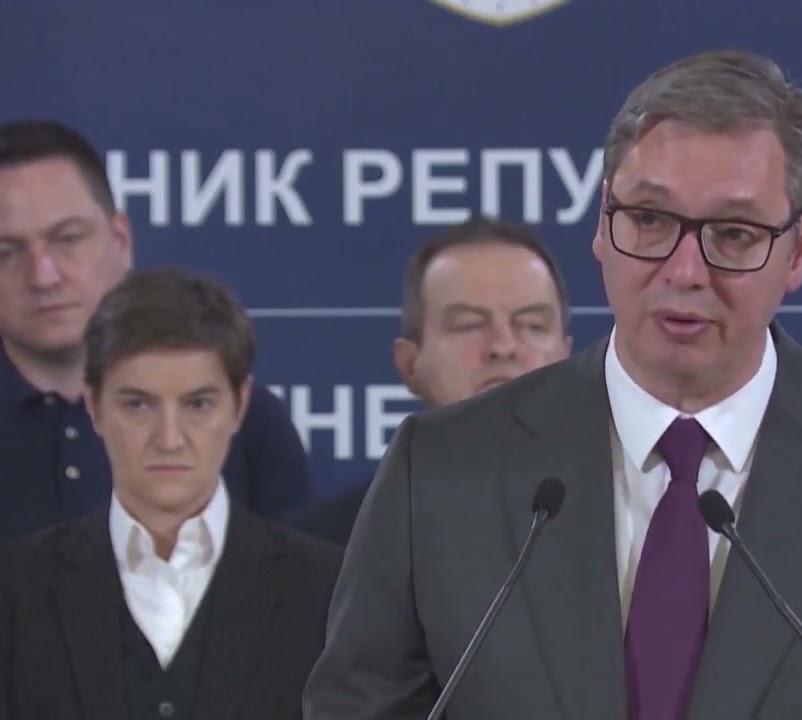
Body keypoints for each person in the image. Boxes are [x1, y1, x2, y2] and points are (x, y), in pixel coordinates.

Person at [301, 49, 802, 719]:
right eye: (650, 220)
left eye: (734, 234)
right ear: (602, 223)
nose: (684, 271)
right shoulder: (439, 474)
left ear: (797, 252)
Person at [0, 267, 343, 718]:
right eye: (137, 405)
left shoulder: (329, 590)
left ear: (239, 406)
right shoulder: (15, 590)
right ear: (94, 407)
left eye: (198, 404)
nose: (168, 439)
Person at [0, 119, 313, 540]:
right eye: (6, 252)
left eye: (68, 239)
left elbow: (299, 574)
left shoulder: (248, 421)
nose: (44, 276)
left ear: (121, 239)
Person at [288, 218, 574, 545]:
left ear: (566, 358)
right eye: (468, 324)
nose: (503, 346)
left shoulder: (616, 519)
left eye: (532, 325)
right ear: (409, 364)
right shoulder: (323, 546)